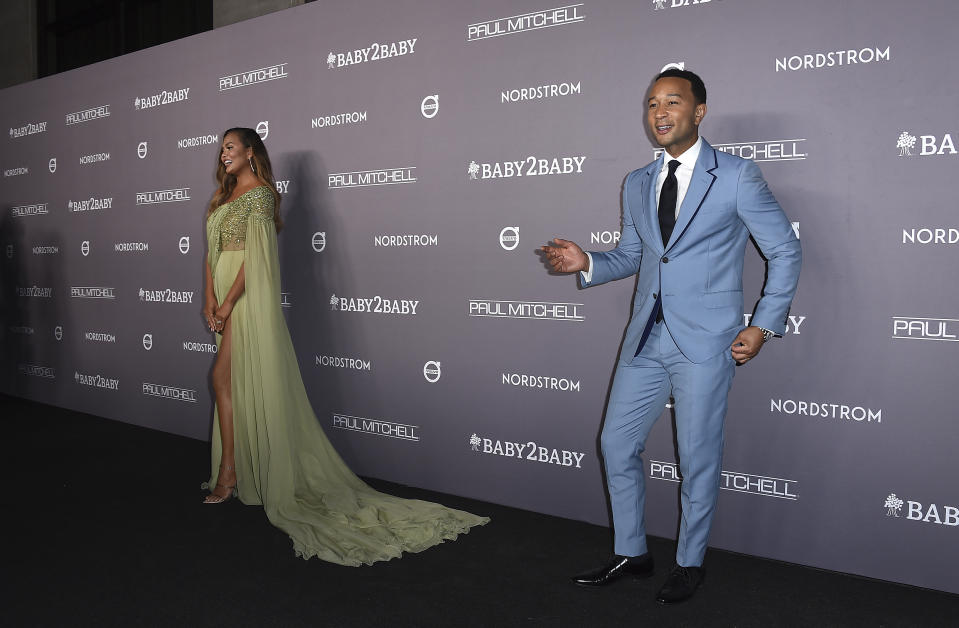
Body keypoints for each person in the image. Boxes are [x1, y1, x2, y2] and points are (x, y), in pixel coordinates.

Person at [541, 69, 801, 604]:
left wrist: (762, 323)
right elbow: (636, 257)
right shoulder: (637, 182)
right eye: (652, 103)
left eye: (672, 102)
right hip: (645, 339)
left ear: (699, 111)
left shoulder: (735, 175)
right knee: (616, 444)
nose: (659, 112)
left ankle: (690, 562)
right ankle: (633, 553)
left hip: (707, 341)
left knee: (696, 454)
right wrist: (587, 260)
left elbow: (785, 250)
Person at [201, 127, 488, 565]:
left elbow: (258, 258)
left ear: (251, 152)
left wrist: (226, 301)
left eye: (231, 148)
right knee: (227, 381)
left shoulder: (259, 194)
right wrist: (208, 299)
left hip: (246, 297)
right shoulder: (222, 198)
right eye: (221, 149)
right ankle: (238, 468)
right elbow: (211, 253)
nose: (224, 155)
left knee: (221, 377)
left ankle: (231, 472)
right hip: (221, 294)